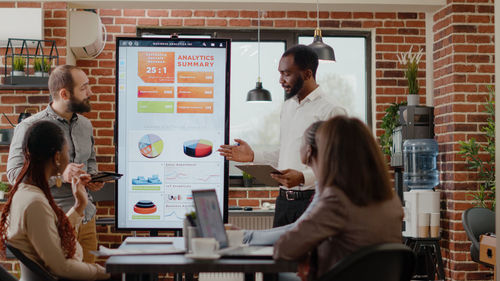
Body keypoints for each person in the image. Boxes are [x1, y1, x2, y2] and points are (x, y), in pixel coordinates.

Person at [219, 45, 346, 227]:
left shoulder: (332, 110)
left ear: (307, 74)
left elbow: (338, 166)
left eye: (286, 74)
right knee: (276, 254)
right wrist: (253, 156)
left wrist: (303, 177)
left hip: (314, 202)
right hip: (284, 202)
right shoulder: (288, 107)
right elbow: (284, 151)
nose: (280, 80)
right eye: (280, 73)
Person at [273, 116, 403, 281]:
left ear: (329, 152)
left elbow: (284, 249)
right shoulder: (392, 200)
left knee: (278, 276)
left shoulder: (337, 200)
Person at [7, 65, 103, 263]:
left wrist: (92, 177)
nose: (90, 92)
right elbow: (14, 175)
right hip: (53, 221)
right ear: (64, 93)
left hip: (87, 218)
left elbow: (90, 160)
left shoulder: (86, 125)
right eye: (84, 88)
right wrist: (59, 175)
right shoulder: (29, 127)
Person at [0, 121, 109, 280]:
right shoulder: (35, 203)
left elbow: (54, 233)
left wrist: (79, 205)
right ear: (57, 156)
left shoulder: (26, 193)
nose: (68, 157)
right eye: (67, 151)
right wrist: (105, 273)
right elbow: (60, 267)